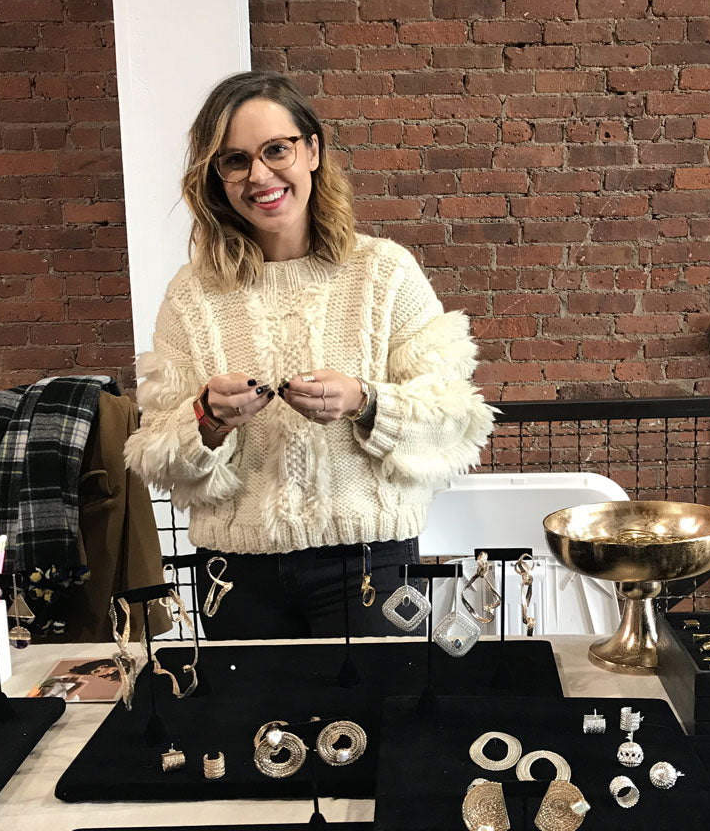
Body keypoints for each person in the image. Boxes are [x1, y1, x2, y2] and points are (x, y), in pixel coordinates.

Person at [125, 71, 494, 638]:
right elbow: (154, 455)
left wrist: (366, 401)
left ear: (313, 149)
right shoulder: (193, 296)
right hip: (235, 574)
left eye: (276, 150)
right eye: (235, 160)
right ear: (216, 176)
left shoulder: (385, 273)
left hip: (369, 564)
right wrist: (206, 418)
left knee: (378, 728)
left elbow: (457, 422)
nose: (260, 175)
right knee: (247, 729)